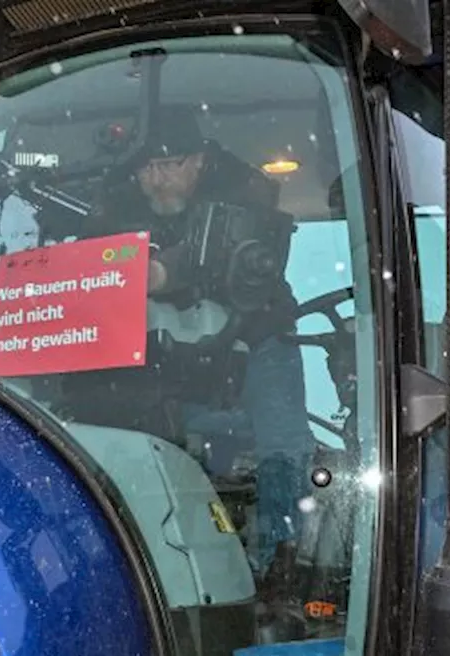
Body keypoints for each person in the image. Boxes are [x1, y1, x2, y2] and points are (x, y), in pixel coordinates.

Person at [84, 105, 318, 582]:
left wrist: (154, 272)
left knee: (283, 443)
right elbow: (93, 252)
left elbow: (213, 251)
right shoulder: (120, 203)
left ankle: (278, 563)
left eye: (169, 166)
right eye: (147, 168)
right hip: (178, 354)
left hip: (256, 341)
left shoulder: (243, 190)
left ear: (199, 161)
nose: (156, 180)